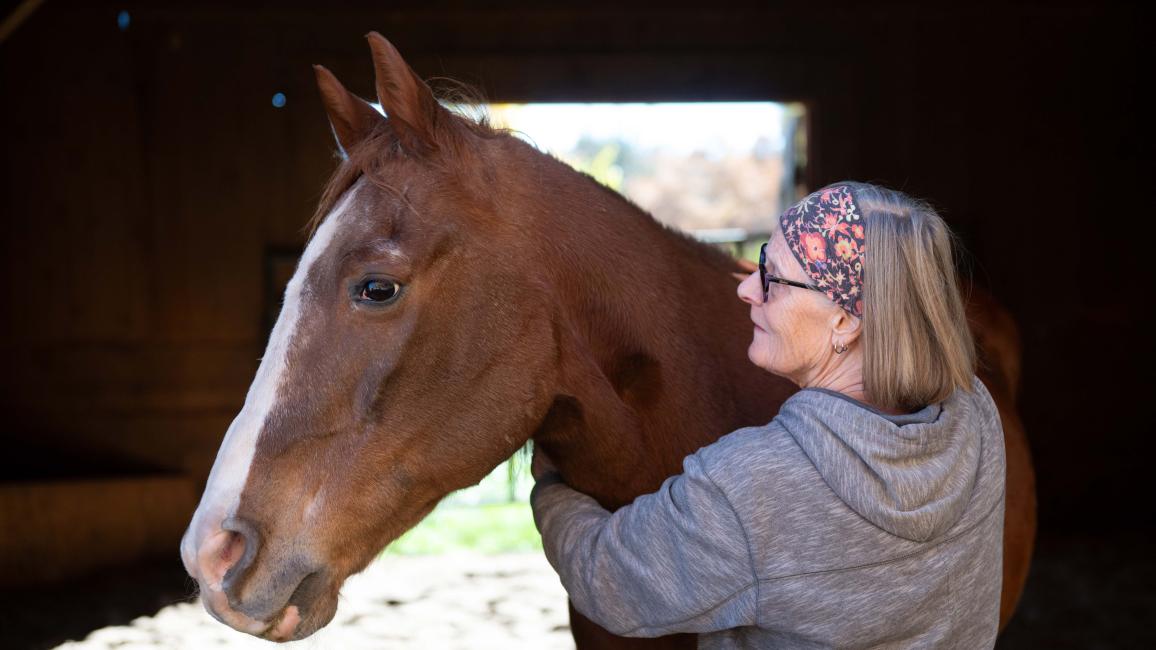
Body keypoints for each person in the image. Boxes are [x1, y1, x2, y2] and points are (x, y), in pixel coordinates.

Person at [529, 181, 1007, 649]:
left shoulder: (751, 486)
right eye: (760, 262)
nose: (747, 290)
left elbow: (607, 579)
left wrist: (553, 482)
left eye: (774, 279)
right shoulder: (978, 416)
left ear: (845, 320)